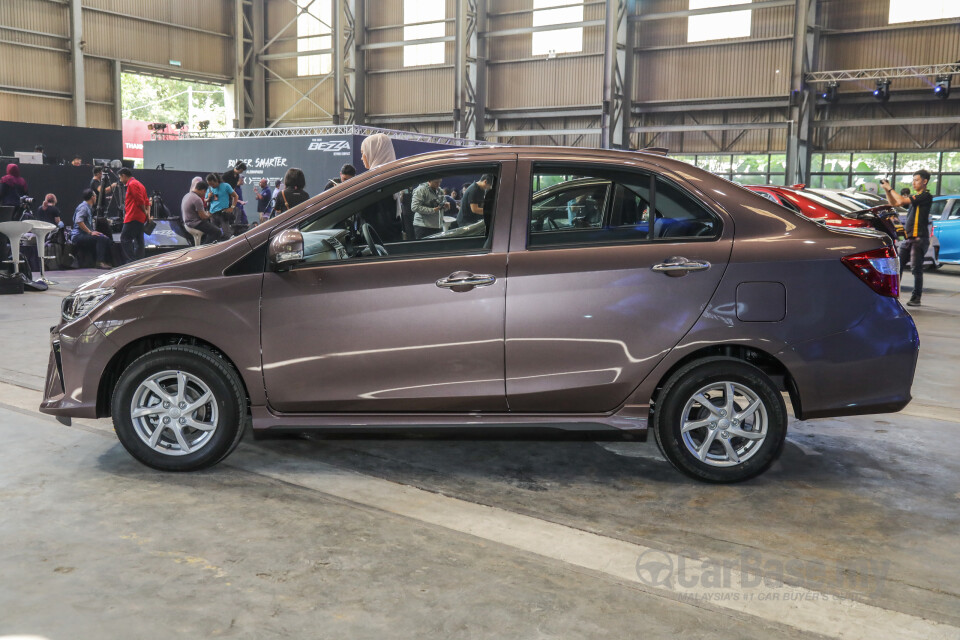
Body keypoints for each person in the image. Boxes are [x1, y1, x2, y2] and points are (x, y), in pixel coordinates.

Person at [882, 170, 932, 307]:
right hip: (908, 239)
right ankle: (892, 296)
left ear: (924, 181)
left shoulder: (925, 196)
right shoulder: (915, 197)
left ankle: (916, 298)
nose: (913, 182)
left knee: (916, 269)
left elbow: (901, 200)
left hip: (919, 239)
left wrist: (890, 188)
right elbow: (895, 203)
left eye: (916, 180)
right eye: (913, 180)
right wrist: (887, 191)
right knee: (897, 267)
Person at [359, 134, 402, 241]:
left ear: (374, 151)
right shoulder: (390, 179)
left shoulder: (375, 183)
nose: (362, 157)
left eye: (363, 152)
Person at [70, 189, 112, 269]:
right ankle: (100, 262)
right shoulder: (84, 207)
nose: (96, 198)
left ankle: (105, 261)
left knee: (105, 238)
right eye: (95, 196)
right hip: (78, 236)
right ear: (92, 197)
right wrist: (90, 232)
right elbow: (79, 221)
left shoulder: (88, 207)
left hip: (83, 234)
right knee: (101, 239)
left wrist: (92, 231)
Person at [118, 167, 150, 263]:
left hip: (133, 216)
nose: (120, 180)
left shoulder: (132, 184)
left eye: (120, 177)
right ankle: (139, 262)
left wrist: (145, 213)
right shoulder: (140, 184)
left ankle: (131, 262)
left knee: (124, 238)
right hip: (139, 218)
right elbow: (147, 201)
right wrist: (147, 215)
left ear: (124, 176)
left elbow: (140, 201)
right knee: (139, 240)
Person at [182, 179, 222, 244]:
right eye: (205, 192)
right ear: (203, 190)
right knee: (217, 232)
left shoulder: (187, 195)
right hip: (195, 223)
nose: (204, 195)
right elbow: (203, 217)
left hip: (187, 222)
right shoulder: (197, 199)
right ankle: (205, 249)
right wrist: (210, 213)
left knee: (211, 230)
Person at [205, 172, 237, 239]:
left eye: (212, 184)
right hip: (213, 214)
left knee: (226, 233)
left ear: (216, 180)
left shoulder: (226, 186)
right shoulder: (210, 189)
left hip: (223, 213)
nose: (211, 186)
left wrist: (232, 207)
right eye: (209, 184)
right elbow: (205, 200)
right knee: (213, 234)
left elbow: (235, 196)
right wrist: (208, 198)